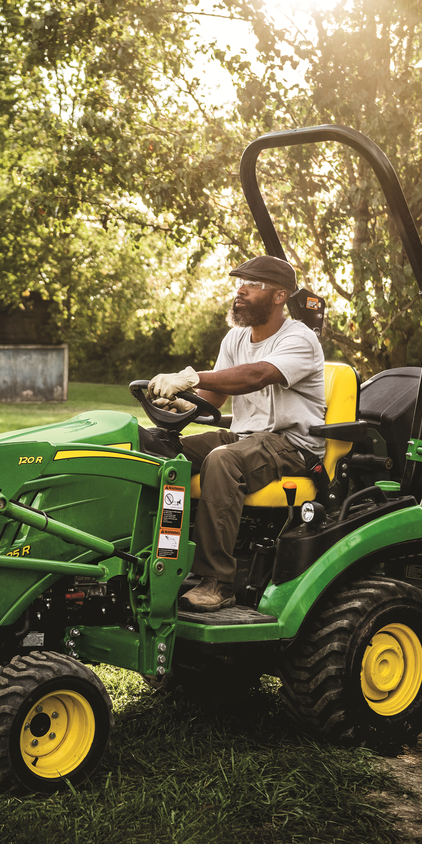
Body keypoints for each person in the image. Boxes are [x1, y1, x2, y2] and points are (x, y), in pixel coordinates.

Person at [147, 255, 325, 612]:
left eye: (253, 284)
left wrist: (191, 377)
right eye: (240, 283)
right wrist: (183, 403)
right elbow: (215, 396)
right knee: (154, 445)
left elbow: (256, 375)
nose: (240, 290)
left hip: (292, 445)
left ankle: (218, 582)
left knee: (222, 461)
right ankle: (152, 557)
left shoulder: (300, 339)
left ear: (279, 296)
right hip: (245, 437)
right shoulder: (236, 337)